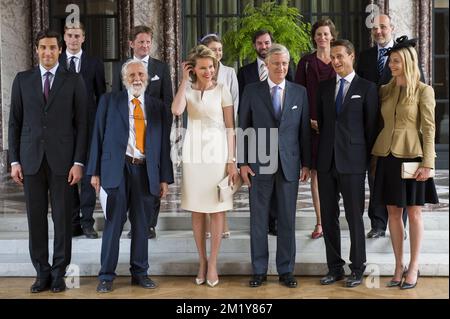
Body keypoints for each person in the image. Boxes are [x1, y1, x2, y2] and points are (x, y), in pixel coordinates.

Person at [8, 29, 88, 293]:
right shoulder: (22, 80)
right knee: (36, 220)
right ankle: (41, 272)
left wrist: (78, 162)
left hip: (63, 163)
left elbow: (82, 124)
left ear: (60, 50)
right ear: (37, 49)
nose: (48, 52)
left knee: (63, 220)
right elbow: (15, 122)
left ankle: (59, 273)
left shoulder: (74, 80)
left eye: (53, 48)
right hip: (30, 161)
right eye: (43, 47)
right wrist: (14, 161)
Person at [87, 60, 173, 293]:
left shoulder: (158, 107)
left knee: (142, 226)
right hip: (117, 170)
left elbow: (164, 146)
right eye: (132, 74)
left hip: (146, 172)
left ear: (147, 77)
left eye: (141, 74)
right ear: (124, 79)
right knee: (113, 225)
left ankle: (140, 272)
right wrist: (94, 171)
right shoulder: (109, 101)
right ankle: (106, 275)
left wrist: (164, 177)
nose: (137, 78)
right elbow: (97, 135)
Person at [238, 44, 311, 288]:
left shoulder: (299, 92)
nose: (281, 67)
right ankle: (258, 270)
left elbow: (303, 132)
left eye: (284, 63)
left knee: (287, 220)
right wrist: (242, 163)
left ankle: (286, 271)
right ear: (266, 65)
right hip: (259, 165)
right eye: (276, 63)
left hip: (289, 165)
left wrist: (306, 164)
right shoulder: (251, 91)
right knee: (258, 220)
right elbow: (243, 128)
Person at [371, 36, 439, 290]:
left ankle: (414, 265)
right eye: (391, 61)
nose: (391, 65)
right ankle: (398, 265)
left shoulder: (424, 90)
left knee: (414, 212)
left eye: (396, 61)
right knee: (392, 213)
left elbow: (429, 129)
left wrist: (428, 163)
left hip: (413, 158)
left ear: (409, 62)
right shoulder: (385, 90)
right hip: (387, 158)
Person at [172, 45, 239, 287]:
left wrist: (232, 162)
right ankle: (201, 260)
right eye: (203, 67)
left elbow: (231, 128)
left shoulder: (223, 90)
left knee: (217, 209)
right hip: (193, 154)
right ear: (194, 69)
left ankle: (213, 263)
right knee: (197, 209)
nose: (209, 71)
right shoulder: (187, 90)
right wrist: (182, 81)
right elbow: (176, 109)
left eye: (211, 67)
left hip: (218, 153)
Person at [316, 40, 378, 288]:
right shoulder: (323, 88)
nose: (336, 61)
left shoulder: (367, 87)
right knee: (328, 217)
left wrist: (368, 163)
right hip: (326, 162)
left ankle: (357, 267)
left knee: (354, 216)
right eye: (332, 57)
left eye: (340, 56)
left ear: (351, 56)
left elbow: (371, 128)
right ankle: (334, 268)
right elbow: (322, 125)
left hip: (353, 163)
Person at [112, 25, 174, 239]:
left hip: (154, 132)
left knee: (153, 176)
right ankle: (134, 222)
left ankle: (149, 223)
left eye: (148, 42)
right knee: (131, 179)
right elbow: (116, 102)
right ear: (131, 44)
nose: (145, 45)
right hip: (129, 135)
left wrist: (164, 132)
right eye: (141, 42)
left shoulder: (161, 68)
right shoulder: (121, 67)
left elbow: (168, 102)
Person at [357, 14, 411, 239]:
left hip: (400, 127)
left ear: (392, 28)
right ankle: (378, 223)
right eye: (375, 28)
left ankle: (401, 225)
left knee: (401, 176)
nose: (378, 31)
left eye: (383, 27)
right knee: (375, 176)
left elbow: (417, 84)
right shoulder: (366, 56)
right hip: (373, 128)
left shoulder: (404, 54)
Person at [237, 30, 294, 236]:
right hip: (258, 143)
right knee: (261, 197)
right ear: (255, 46)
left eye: (267, 42)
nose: (264, 46)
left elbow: (292, 103)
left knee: (282, 196)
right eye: (260, 43)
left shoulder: (287, 72)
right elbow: (243, 117)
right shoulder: (245, 74)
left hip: (286, 150)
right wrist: (242, 160)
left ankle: (276, 224)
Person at [60, 22, 106, 239]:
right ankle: (73, 223)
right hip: (62, 131)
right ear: (64, 37)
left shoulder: (95, 63)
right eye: (70, 35)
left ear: (84, 38)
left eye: (77, 35)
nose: (73, 39)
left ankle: (87, 222)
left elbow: (101, 96)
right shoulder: (57, 62)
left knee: (88, 175)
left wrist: (100, 126)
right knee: (67, 176)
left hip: (88, 128)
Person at [295, 18, 337, 240]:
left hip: (335, 127)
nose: (322, 37)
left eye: (326, 34)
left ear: (332, 36)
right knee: (317, 176)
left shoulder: (339, 59)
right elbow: (298, 94)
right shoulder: (306, 62)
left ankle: (334, 220)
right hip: (312, 128)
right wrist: (307, 119)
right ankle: (321, 222)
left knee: (336, 174)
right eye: (319, 34)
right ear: (314, 37)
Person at [200, 33, 239, 239]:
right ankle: (207, 225)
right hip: (203, 137)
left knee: (224, 182)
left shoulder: (230, 73)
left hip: (224, 133)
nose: (218, 53)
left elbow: (235, 102)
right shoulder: (198, 73)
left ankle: (223, 225)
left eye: (220, 49)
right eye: (214, 49)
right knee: (205, 184)